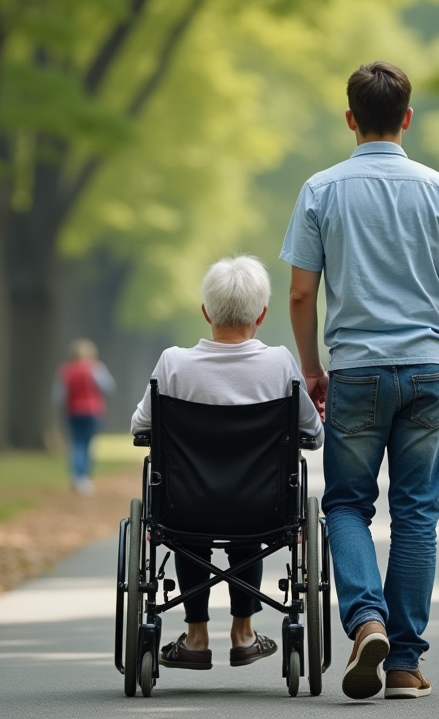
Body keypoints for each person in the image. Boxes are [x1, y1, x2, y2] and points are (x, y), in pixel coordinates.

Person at [281, 61, 439, 700]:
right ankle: (403, 663)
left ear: (350, 119)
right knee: (416, 514)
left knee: (345, 503)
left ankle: (365, 618)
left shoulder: (321, 190)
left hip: (355, 370)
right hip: (426, 368)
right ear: (407, 117)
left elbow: (298, 291)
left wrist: (312, 368)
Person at [130, 254, 323, 672]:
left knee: (185, 522)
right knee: (249, 512)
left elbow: (140, 426)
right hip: (262, 507)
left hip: (186, 506)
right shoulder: (280, 364)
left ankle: (196, 637)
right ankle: (244, 632)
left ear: (205, 312)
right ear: (263, 314)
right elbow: (314, 432)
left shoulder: (173, 363)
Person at [53, 338, 115, 495]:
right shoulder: (95, 368)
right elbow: (108, 386)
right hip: (92, 411)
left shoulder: (66, 370)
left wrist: (62, 408)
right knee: (87, 444)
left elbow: (59, 395)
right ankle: (84, 478)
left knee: (76, 443)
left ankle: (75, 476)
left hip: (73, 411)